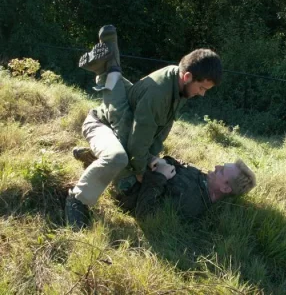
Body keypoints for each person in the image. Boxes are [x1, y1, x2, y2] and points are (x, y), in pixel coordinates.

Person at [65, 24, 223, 230]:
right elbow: (136, 136)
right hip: (101, 124)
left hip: (121, 127)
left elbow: (159, 129)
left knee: (133, 164)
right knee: (118, 158)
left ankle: (109, 69)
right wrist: (140, 169)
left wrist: (151, 158)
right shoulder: (160, 93)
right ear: (187, 77)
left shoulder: (178, 85)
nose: (202, 94)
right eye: (201, 88)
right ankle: (77, 200)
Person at [118, 156, 256, 219]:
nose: (216, 167)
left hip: (127, 182)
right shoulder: (204, 179)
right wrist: (164, 162)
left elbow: (145, 213)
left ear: (225, 189)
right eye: (221, 165)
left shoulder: (192, 203)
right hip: (141, 165)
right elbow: (180, 165)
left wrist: (160, 176)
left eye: (221, 171)